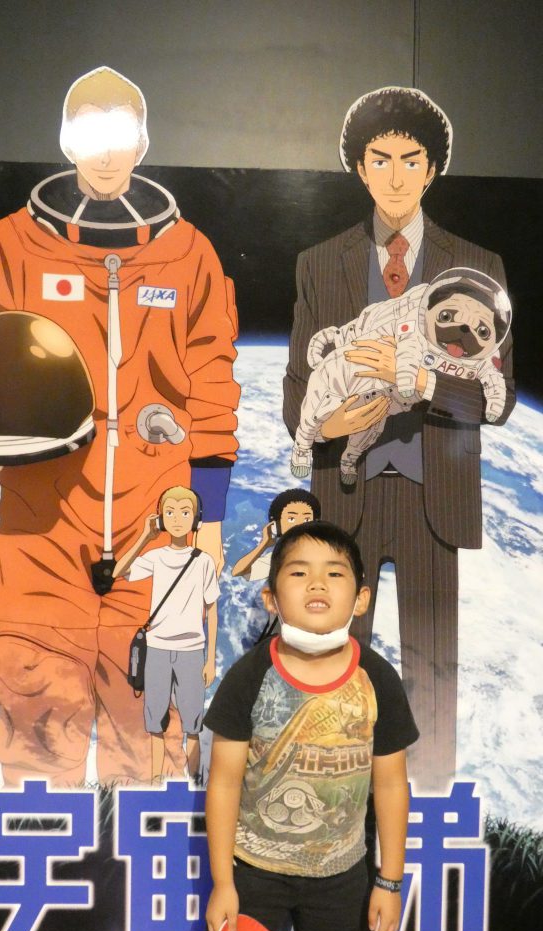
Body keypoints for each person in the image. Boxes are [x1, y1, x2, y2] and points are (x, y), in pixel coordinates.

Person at [0, 66, 240, 787]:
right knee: (36, 714)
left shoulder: (189, 256)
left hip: (158, 531)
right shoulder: (9, 249)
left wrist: (209, 523)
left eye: (122, 133)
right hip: (44, 526)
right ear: (65, 139)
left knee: (151, 730)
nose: (108, 152)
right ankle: (40, 855)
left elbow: (212, 392)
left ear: (144, 141)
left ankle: (139, 856)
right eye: (91, 132)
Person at [283, 86, 515, 789]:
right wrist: (327, 425)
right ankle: (322, 805)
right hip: (342, 496)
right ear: (358, 167)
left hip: (431, 498)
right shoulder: (319, 261)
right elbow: (296, 386)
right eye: (379, 159)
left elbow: (495, 401)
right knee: (327, 664)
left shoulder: (478, 265)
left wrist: (418, 383)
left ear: (432, 169)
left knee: (431, 676)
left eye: (410, 160)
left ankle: (432, 808)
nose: (395, 175)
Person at [203, 520, 419, 931]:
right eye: (299, 573)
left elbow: (391, 786)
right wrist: (223, 883)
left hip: (341, 877)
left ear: (361, 599)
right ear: (271, 597)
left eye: (334, 574)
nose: (317, 584)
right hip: (253, 872)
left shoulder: (377, 678)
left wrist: (389, 883)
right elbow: (224, 783)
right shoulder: (249, 677)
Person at [291, 268, 510, 484]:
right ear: (427, 311)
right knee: (320, 407)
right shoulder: (411, 324)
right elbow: (405, 349)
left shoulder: (485, 359)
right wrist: (327, 430)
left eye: (482, 332)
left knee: (370, 431)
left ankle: (349, 459)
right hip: (353, 372)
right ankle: (303, 446)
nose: (463, 330)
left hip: (398, 410)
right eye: (447, 317)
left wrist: (423, 381)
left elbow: (500, 393)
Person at [114, 486, 218, 783]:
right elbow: (118, 572)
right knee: (155, 721)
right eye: (169, 512)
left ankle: (194, 780)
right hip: (157, 648)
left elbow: (211, 610)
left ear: (196, 518)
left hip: (191, 650)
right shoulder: (156, 556)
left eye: (185, 512)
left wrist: (210, 659)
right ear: (160, 519)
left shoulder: (203, 561)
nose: (177, 519)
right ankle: (156, 780)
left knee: (192, 723)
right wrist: (145, 537)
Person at [231, 487, 321, 581]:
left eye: (307, 519)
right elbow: (238, 571)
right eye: (291, 519)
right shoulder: (278, 559)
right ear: (276, 525)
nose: (299, 525)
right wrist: (264, 544)